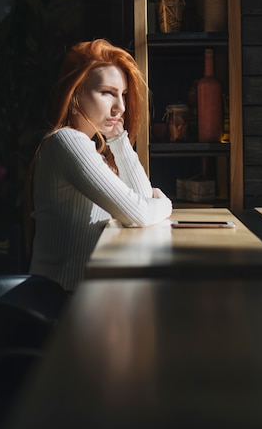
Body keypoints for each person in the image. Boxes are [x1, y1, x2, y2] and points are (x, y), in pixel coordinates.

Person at [27, 38, 172, 294]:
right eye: (107, 92)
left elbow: (141, 201)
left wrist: (118, 139)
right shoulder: (67, 142)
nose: (121, 107)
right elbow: (141, 213)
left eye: (123, 95)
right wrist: (165, 202)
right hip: (61, 303)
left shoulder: (94, 151)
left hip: (89, 296)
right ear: (75, 93)